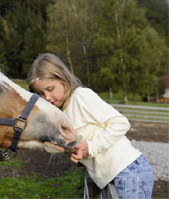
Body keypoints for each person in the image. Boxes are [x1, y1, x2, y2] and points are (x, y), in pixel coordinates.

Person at [27, 53, 154, 199]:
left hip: (128, 171)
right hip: (109, 177)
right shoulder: (60, 113)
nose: (47, 97)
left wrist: (90, 147)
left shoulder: (80, 97)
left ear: (63, 79)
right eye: (40, 93)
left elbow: (120, 123)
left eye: (50, 89)